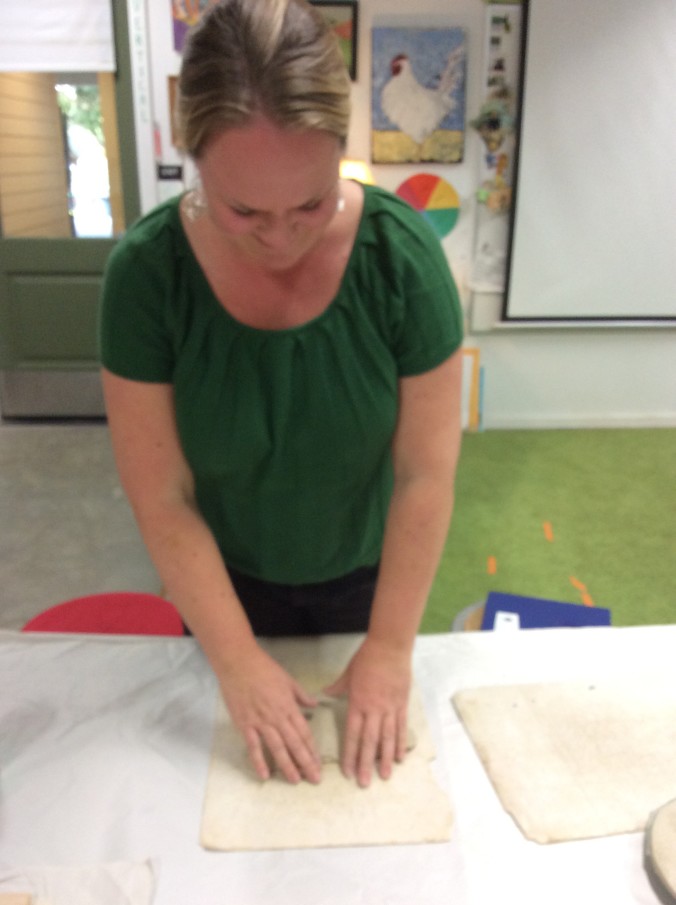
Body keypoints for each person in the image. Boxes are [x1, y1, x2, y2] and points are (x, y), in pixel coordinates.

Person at [99, 0, 464, 789]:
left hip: (370, 578)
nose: (280, 238)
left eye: (311, 202)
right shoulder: (147, 278)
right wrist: (236, 661)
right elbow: (162, 496)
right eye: (243, 210)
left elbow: (426, 475)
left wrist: (390, 647)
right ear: (193, 156)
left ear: (340, 154)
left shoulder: (403, 262)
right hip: (220, 583)